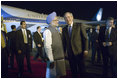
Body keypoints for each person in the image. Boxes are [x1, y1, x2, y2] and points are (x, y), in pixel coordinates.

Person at [62, 12, 88, 78]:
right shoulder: (64, 29)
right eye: (65, 18)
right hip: (70, 54)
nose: (67, 19)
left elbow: (85, 39)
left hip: (79, 53)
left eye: (69, 17)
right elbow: (64, 42)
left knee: (82, 71)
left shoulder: (79, 26)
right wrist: (64, 52)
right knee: (73, 71)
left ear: (72, 17)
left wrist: (86, 50)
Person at [43, 12, 66, 78]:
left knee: (57, 75)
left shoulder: (55, 30)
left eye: (57, 20)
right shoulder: (48, 31)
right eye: (55, 20)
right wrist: (51, 60)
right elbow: (47, 47)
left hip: (58, 59)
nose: (57, 21)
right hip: (54, 60)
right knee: (51, 76)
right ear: (51, 22)